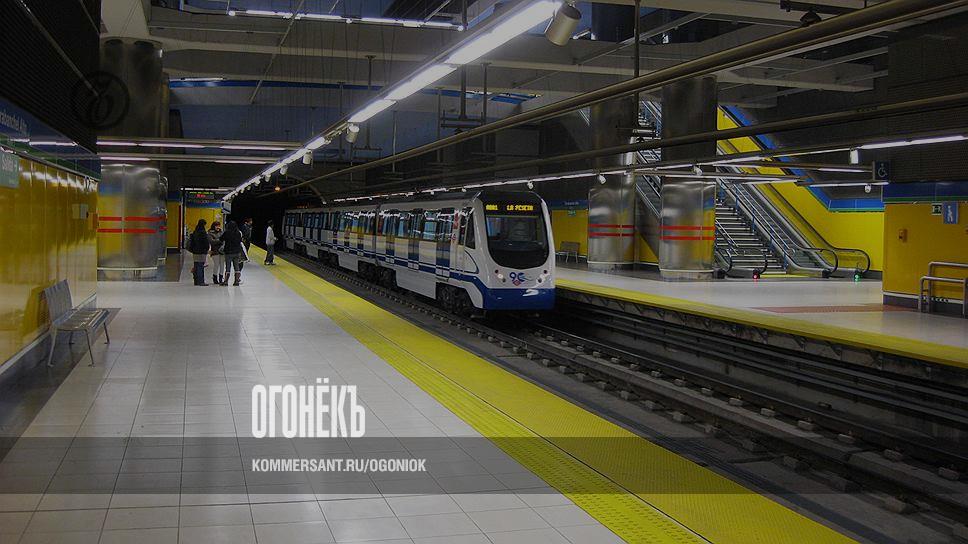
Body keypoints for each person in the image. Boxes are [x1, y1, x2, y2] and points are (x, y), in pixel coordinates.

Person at [222, 220, 245, 286]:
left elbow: (221, 239)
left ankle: (226, 281)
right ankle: (236, 281)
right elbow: (240, 241)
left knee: (228, 267)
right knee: (236, 266)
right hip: (237, 252)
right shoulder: (238, 233)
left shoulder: (227, 232)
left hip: (228, 252)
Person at [188, 219, 210, 286]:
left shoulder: (195, 232)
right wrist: (207, 249)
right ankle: (201, 281)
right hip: (201, 252)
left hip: (195, 252)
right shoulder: (203, 232)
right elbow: (206, 242)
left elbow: (192, 242)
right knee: (200, 266)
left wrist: (192, 250)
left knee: (196, 265)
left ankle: (196, 281)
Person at [207, 221, 224, 286]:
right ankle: (215, 278)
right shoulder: (210, 233)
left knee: (222, 265)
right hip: (214, 251)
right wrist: (220, 240)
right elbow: (211, 241)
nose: (218, 227)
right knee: (216, 265)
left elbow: (224, 240)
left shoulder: (222, 232)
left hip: (222, 251)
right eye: (216, 225)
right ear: (213, 226)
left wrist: (218, 240)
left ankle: (221, 278)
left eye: (219, 225)